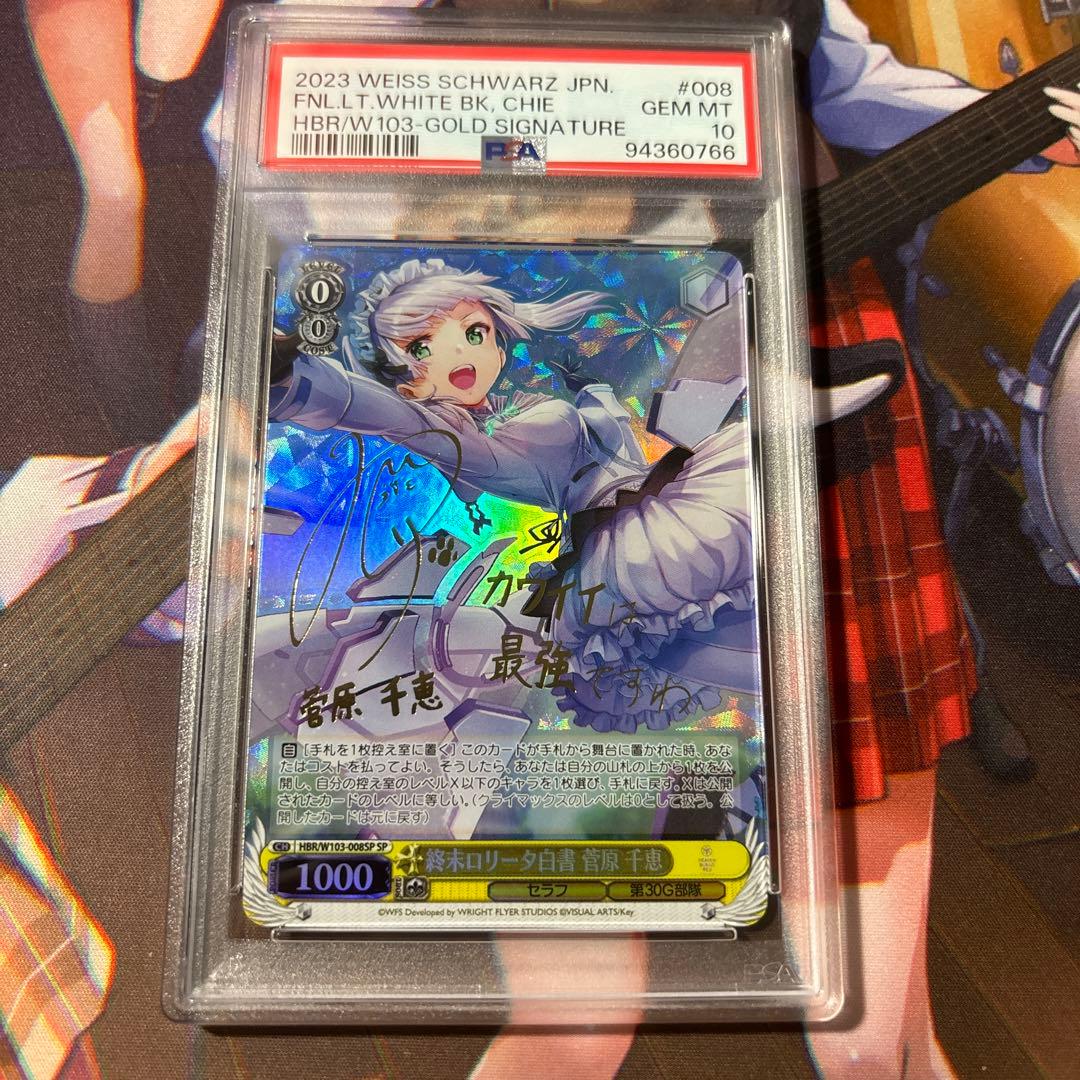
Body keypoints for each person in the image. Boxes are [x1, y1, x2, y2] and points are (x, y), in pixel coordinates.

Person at [271, 257, 758, 733]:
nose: (458, 353)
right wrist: (301, 384)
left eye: (474, 332)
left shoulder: (520, 408)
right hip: (634, 539)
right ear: (407, 383)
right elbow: (395, 419)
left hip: (667, 499)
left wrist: (590, 392)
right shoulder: (470, 444)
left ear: (498, 344)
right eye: (421, 347)